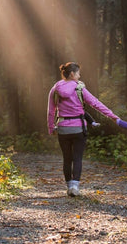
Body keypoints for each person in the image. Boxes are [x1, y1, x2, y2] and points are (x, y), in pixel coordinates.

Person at [47, 62, 119, 197]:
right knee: (77, 157)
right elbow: (96, 103)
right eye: (78, 73)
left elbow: (51, 111)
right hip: (79, 128)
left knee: (67, 158)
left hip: (63, 128)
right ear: (73, 74)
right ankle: (75, 186)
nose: (80, 76)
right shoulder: (79, 88)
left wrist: (51, 128)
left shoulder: (55, 89)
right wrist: (112, 116)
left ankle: (69, 186)